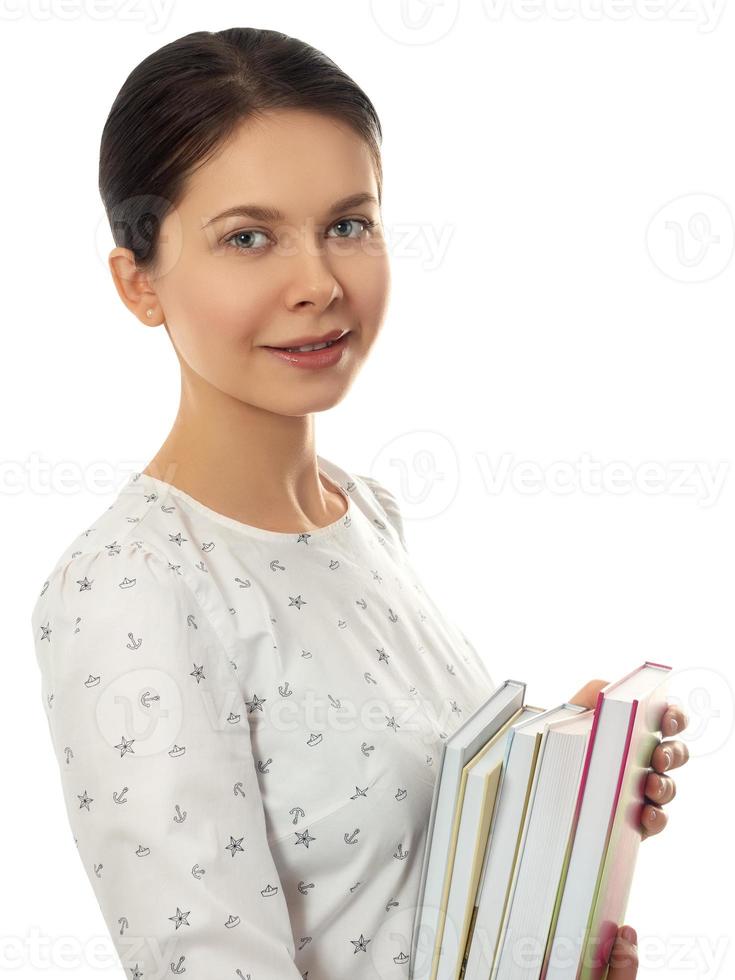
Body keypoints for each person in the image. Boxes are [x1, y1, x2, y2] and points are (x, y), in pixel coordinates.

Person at [30, 28, 688, 980]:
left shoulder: (365, 512)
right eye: (247, 237)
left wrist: (558, 789)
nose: (320, 284)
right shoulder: (129, 585)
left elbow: (387, 857)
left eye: (347, 223)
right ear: (139, 282)